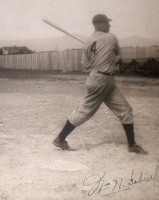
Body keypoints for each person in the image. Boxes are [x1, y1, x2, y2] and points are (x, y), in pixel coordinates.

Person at [52, 14, 148, 155]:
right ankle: (60, 139)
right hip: (101, 80)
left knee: (125, 110)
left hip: (103, 80)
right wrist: (108, 58)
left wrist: (97, 59)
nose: (109, 25)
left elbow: (85, 65)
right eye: (107, 23)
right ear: (99, 24)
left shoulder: (87, 42)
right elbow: (119, 56)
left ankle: (132, 145)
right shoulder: (111, 37)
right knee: (84, 111)